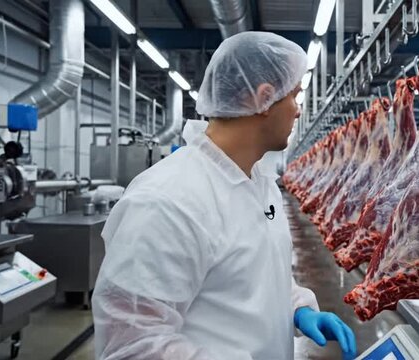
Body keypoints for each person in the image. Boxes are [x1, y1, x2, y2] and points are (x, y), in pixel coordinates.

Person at [91, 31, 357, 360]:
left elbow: (258, 277)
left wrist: (298, 309)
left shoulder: (262, 185)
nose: (298, 111)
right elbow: (130, 345)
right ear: (264, 98)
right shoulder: (167, 200)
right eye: (295, 96)